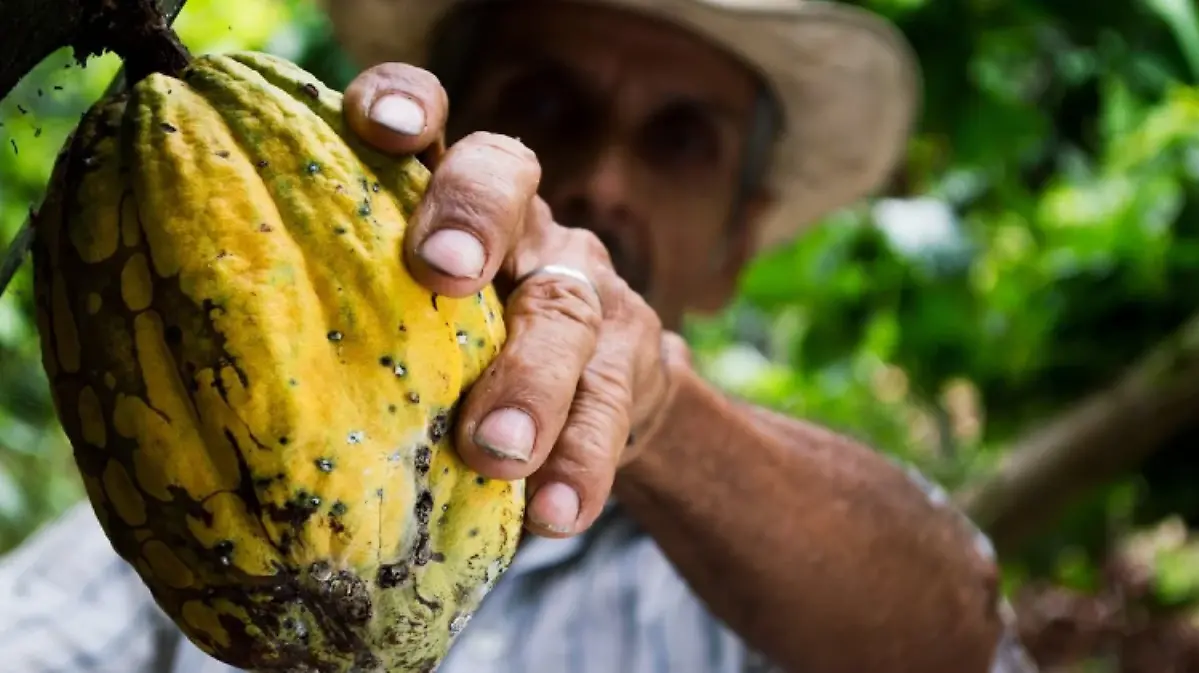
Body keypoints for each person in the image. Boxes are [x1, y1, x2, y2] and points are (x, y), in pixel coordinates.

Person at [0, 1, 1040, 672]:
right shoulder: (182, 484)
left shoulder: (767, 580)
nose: (602, 178)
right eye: (544, 102)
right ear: (431, 134)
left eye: (680, 139)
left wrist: (660, 412)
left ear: (740, 241)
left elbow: (950, 631)